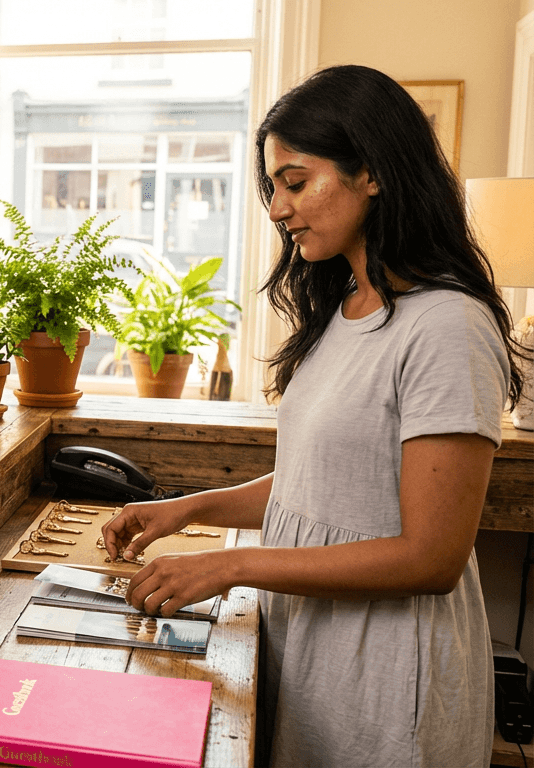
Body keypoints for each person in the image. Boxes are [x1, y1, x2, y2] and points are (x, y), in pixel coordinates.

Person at [100, 64, 525, 767]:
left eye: (295, 182)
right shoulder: (347, 307)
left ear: (374, 175)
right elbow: (325, 486)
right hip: (309, 639)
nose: (276, 206)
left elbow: (432, 557)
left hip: (386, 669)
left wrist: (230, 565)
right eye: (273, 187)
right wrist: (186, 509)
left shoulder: (448, 325)